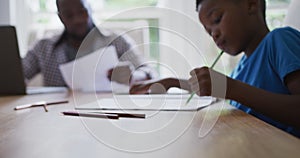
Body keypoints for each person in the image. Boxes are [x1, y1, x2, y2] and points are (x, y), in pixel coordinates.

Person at [130, 0, 300, 137]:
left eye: (217, 19)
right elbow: (223, 90)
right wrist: (172, 82)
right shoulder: (243, 66)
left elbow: (234, 90)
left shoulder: (280, 40)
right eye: (209, 31)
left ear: (251, 4)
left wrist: (230, 88)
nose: (214, 35)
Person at [22, 0, 155, 87]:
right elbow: (17, 76)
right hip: (55, 118)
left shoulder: (117, 41)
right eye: (69, 15)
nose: (77, 20)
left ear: (90, 9)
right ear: (60, 17)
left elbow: (150, 74)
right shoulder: (44, 47)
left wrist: (134, 76)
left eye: (82, 12)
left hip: (107, 115)